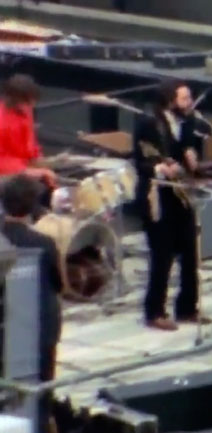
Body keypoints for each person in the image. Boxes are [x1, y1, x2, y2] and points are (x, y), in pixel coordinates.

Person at [133, 79, 212, 331]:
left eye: (190, 98)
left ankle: (187, 307)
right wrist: (160, 168)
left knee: (190, 252)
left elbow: (190, 151)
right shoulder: (148, 123)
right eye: (184, 98)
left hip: (181, 194)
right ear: (169, 100)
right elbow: (140, 161)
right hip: (158, 195)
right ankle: (154, 311)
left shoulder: (189, 122)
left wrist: (192, 156)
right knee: (162, 256)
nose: (189, 103)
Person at [1, 174, 62, 433]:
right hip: (39, 328)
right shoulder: (43, 243)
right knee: (41, 388)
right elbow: (59, 283)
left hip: (6, 328)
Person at [0, 74, 57, 208]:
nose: (31, 105)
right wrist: (35, 172)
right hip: (8, 177)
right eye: (27, 101)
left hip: (27, 167)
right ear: (14, 99)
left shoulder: (26, 109)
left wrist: (42, 163)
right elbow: (3, 162)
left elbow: (31, 144)